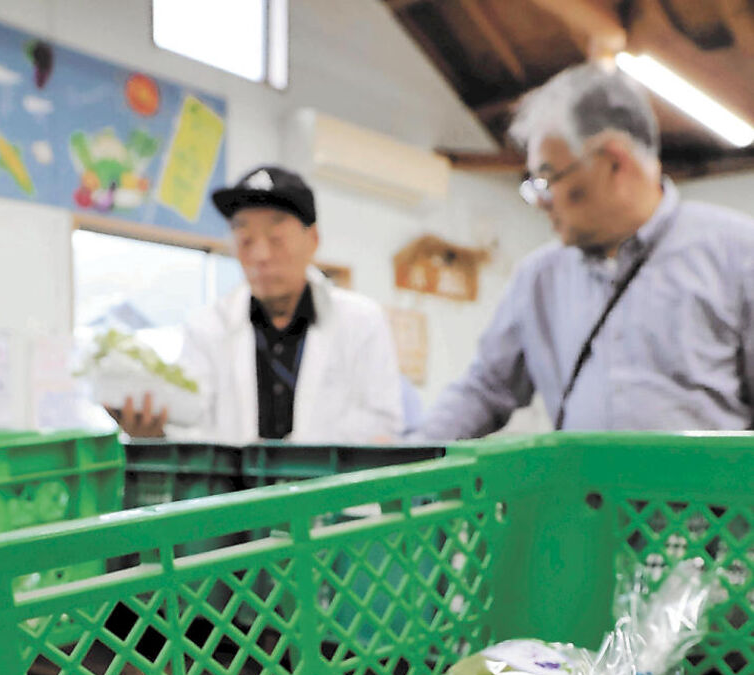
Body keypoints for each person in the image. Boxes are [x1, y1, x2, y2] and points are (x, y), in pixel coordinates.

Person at [418, 63, 754, 438]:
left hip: (710, 497)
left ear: (614, 162)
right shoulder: (538, 278)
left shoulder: (737, 254)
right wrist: (408, 462)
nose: (540, 201)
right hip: (577, 498)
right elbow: (483, 390)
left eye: (547, 178)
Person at [110, 165, 403, 443]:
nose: (261, 255)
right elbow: (190, 424)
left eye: (276, 239)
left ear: (312, 239)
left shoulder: (361, 320)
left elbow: (383, 426)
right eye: (246, 240)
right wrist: (153, 433)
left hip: (335, 495)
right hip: (237, 495)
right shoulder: (207, 326)